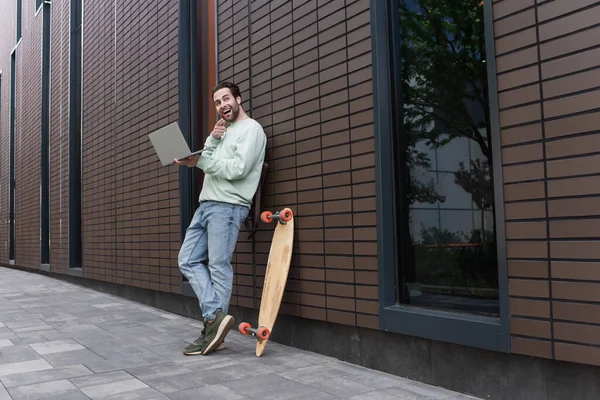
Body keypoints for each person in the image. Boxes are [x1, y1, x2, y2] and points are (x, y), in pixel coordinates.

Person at [174, 82, 267, 356]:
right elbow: (208, 158)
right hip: (206, 204)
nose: (222, 105)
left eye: (226, 98)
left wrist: (200, 162)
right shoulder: (222, 132)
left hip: (228, 206)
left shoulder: (252, 130)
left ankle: (213, 329)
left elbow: (238, 169)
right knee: (187, 259)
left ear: (238, 99)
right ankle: (215, 319)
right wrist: (212, 140)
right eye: (217, 102)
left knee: (218, 265)